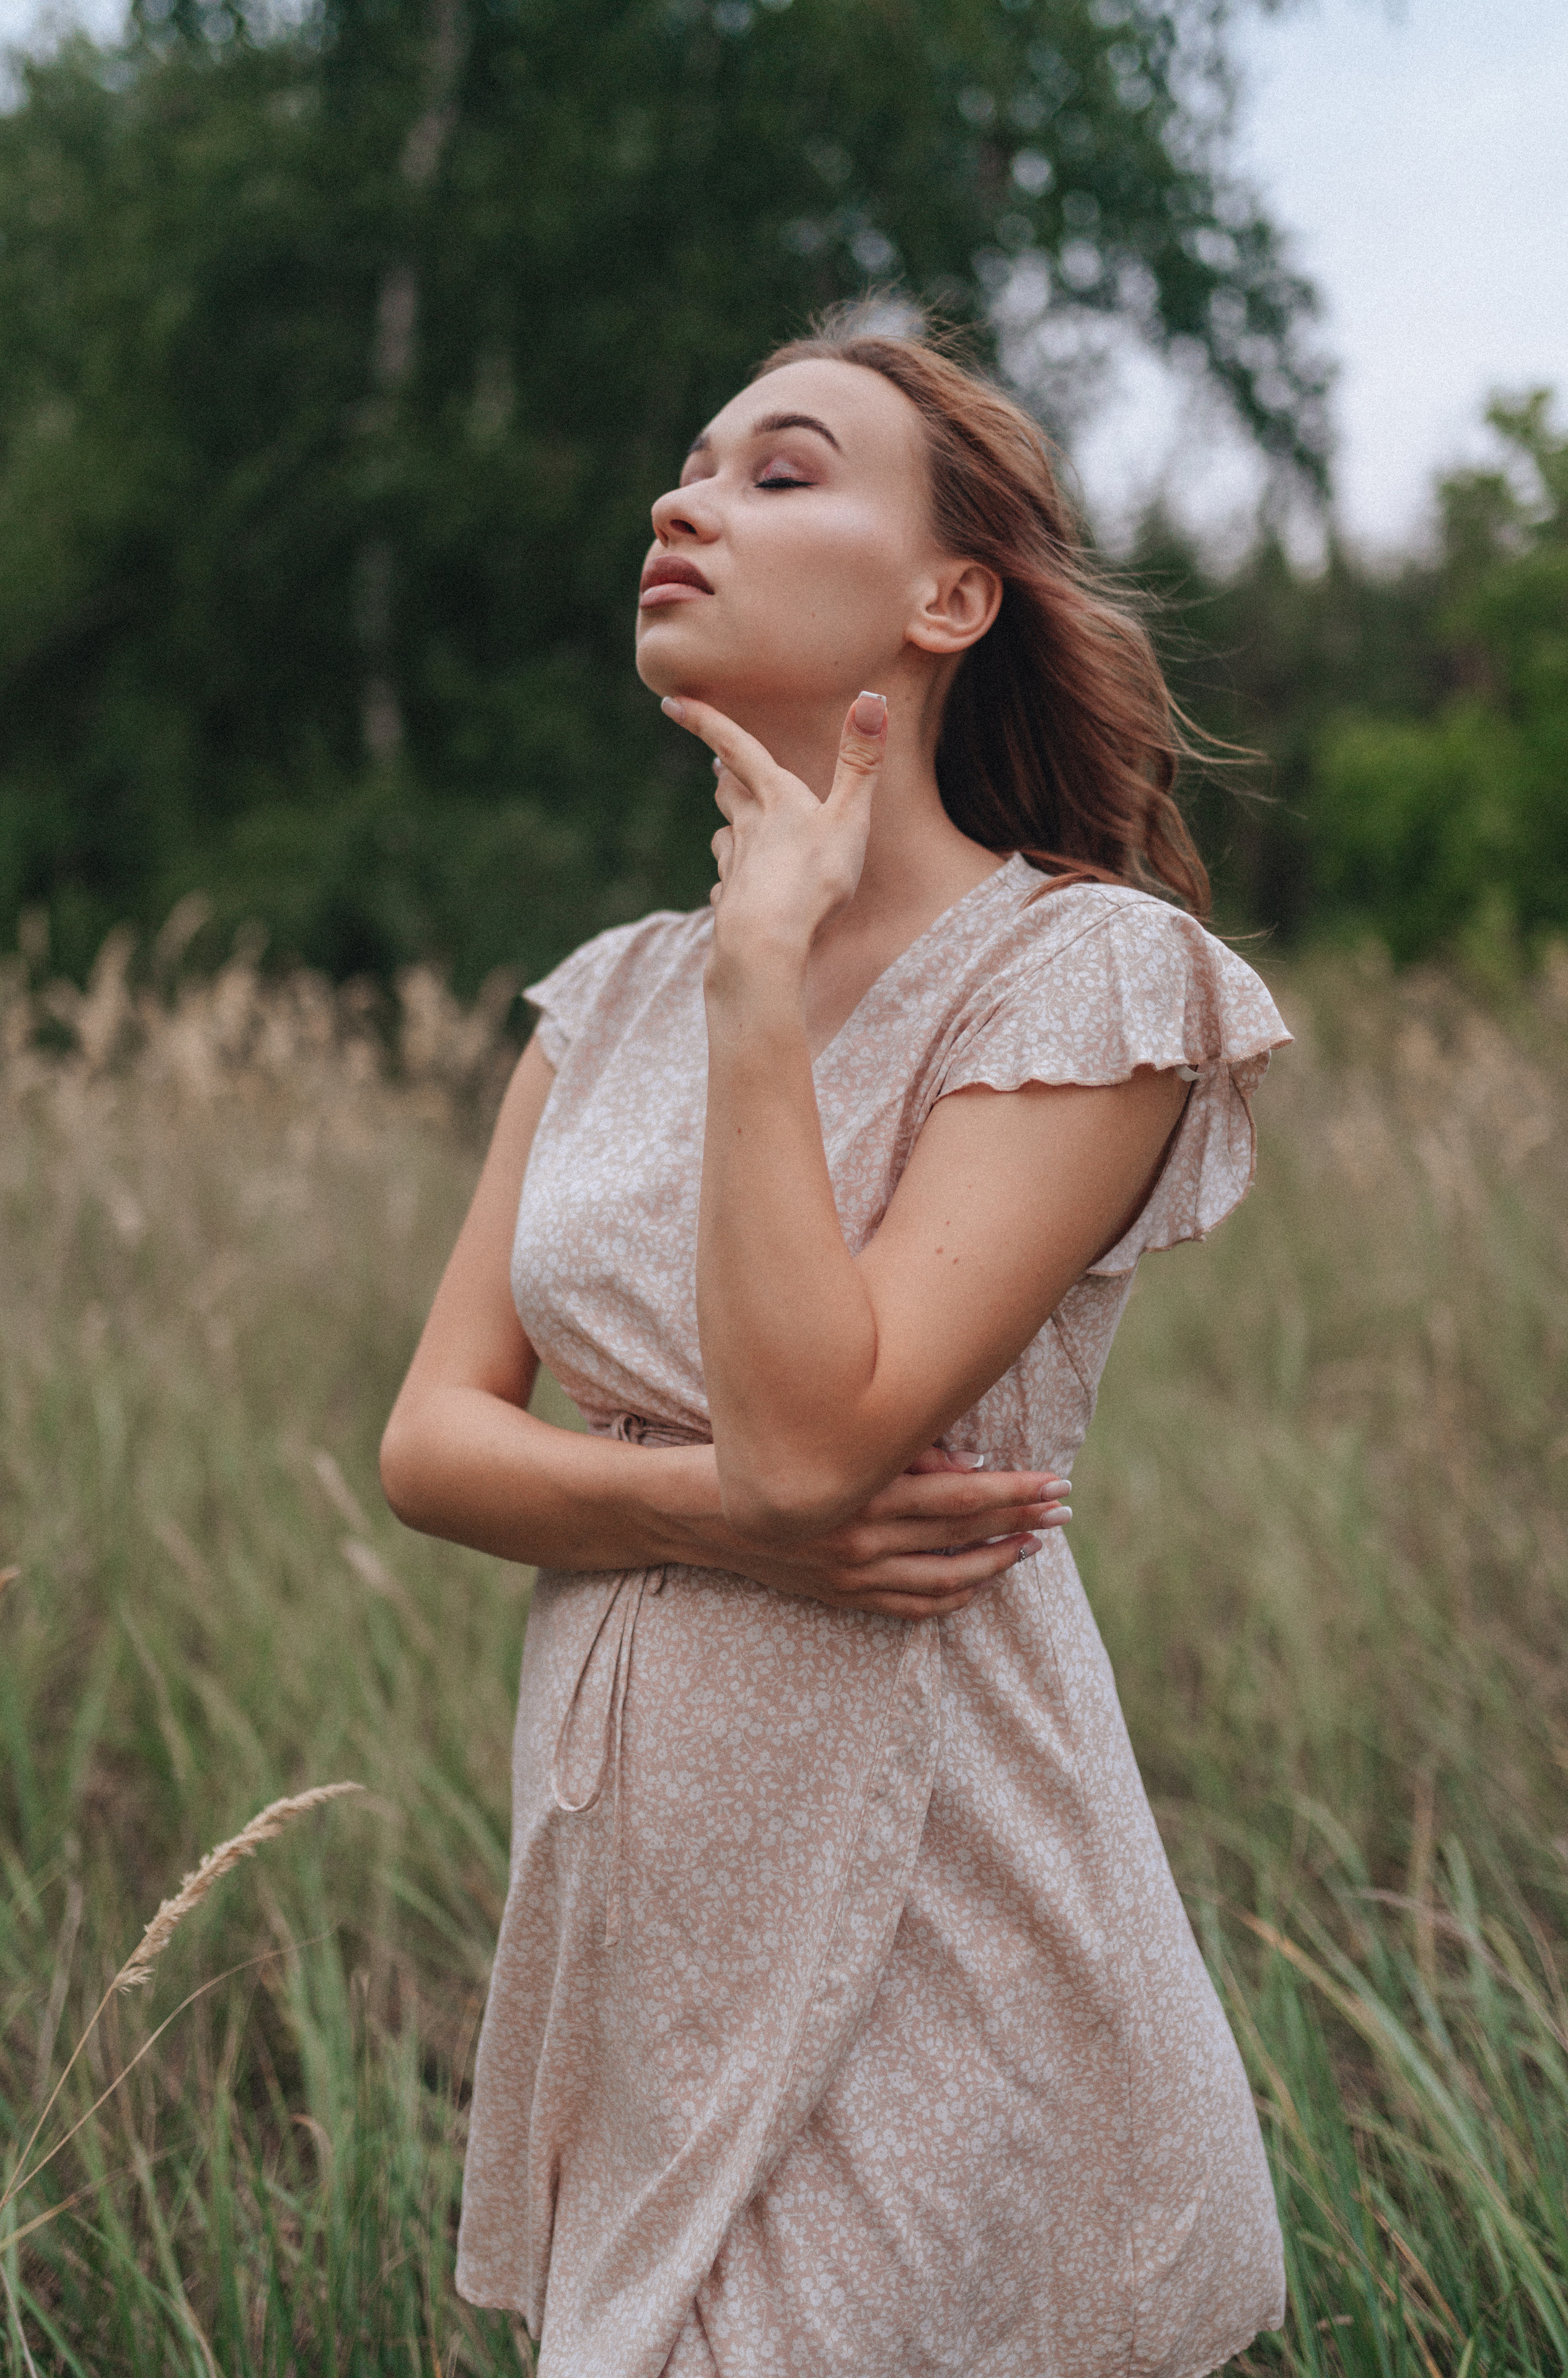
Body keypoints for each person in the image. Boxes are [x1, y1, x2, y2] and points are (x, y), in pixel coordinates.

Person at [381, 322, 1291, 2377]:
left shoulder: (1092, 975)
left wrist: (770, 985)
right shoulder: (614, 993)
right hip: (642, 1896)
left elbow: (814, 1445)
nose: (682, 503)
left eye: (781, 472)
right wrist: (708, 1520)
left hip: (936, 1899)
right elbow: (434, 1444)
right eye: (688, 466)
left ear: (949, 598)